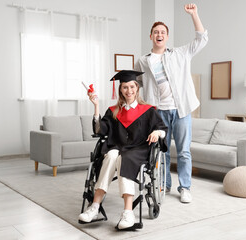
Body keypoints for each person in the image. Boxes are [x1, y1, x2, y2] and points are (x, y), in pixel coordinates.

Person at [134, 3, 208, 203]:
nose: (159, 34)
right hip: (158, 113)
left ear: (167, 37)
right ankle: (164, 184)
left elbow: (201, 39)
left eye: (163, 32)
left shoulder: (180, 54)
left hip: (181, 110)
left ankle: (185, 187)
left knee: (184, 151)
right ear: (151, 36)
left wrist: (194, 14)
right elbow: (137, 86)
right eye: (156, 32)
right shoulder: (142, 61)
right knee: (162, 152)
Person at [78, 70, 167, 230]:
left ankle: (128, 212)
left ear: (137, 88)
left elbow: (162, 128)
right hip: (118, 147)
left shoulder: (148, 110)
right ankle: (95, 207)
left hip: (139, 150)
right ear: (120, 90)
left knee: (123, 157)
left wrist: (156, 132)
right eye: (125, 87)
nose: (129, 91)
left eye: (132, 87)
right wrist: (96, 106)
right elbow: (100, 130)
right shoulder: (114, 111)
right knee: (111, 155)